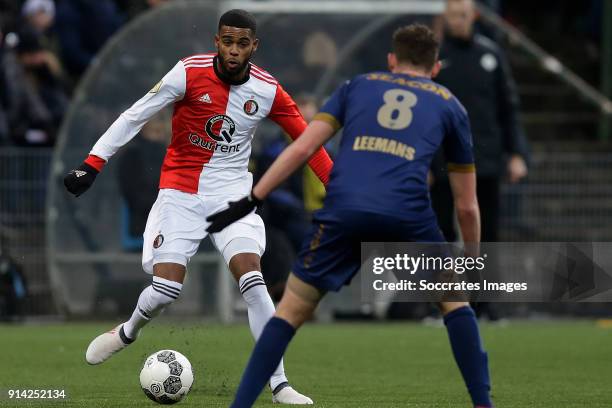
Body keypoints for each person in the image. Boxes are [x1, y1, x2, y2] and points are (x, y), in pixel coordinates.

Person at [207, 24, 493, 408]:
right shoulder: (450, 105)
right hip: (407, 212)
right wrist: (473, 262)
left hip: (345, 208)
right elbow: (467, 205)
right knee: (455, 303)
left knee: (290, 310)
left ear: (392, 61)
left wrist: (252, 197)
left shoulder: (356, 86)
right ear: (436, 67)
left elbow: (303, 147)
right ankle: (483, 404)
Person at [63, 9, 333, 405]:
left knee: (252, 280)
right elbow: (135, 115)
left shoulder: (268, 90)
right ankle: (128, 331)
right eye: (228, 41)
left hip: (232, 197)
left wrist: (342, 191)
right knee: (167, 288)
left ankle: (279, 384)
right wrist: (92, 163)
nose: (234, 50)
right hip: (180, 194)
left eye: (243, 43)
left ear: (253, 46)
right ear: (217, 42)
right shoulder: (187, 73)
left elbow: (309, 144)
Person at [431, 0, 529, 320]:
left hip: (484, 159)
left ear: (473, 15)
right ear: (444, 18)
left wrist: (516, 153)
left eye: (462, 15)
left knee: (486, 234)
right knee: (441, 232)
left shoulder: (491, 54)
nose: (457, 21)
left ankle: (486, 304)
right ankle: (444, 303)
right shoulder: (435, 58)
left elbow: (508, 106)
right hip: (443, 160)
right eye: (452, 15)